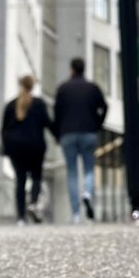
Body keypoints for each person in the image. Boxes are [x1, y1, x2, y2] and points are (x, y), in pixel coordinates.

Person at [53, 57, 107, 223]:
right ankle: (88, 193)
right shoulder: (92, 88)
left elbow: (57, 113)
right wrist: (98, 124)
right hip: (89, 132)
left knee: (72, 172)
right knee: (89, 168)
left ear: (72, 69)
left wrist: (58, 133)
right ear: (84, 69)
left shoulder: (63, 89)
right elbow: (104, 107)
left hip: (68, 133)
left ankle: (76, 214)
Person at [0, 75, 53, 226]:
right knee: (36, 177)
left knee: (20, 180)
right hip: (36, 147)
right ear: (33, 86)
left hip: (16, 148)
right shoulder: (39, 104)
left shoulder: (11, 105)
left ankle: (21, 217)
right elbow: (48, 124)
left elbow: (3, 129)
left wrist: (8, 147)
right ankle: (34, 204)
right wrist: (59, 136)